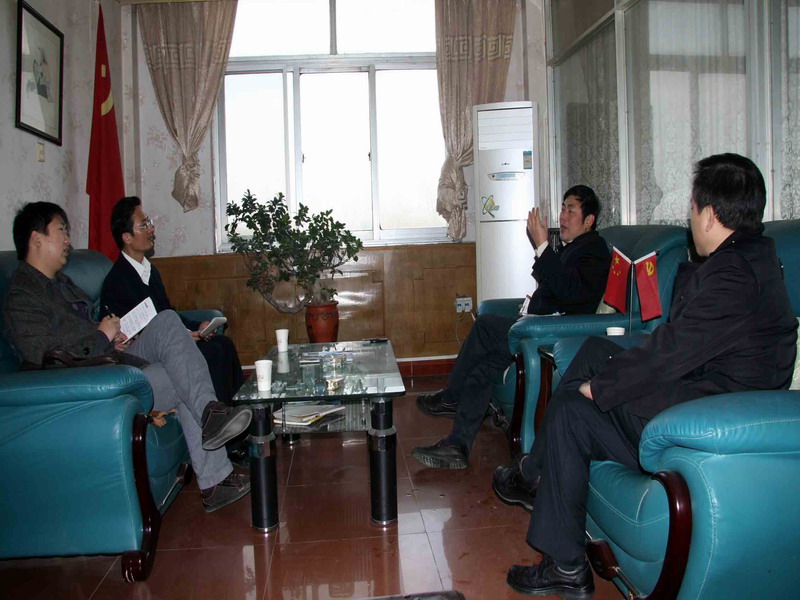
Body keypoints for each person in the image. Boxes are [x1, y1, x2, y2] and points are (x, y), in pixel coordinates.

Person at [493, 153, 797, 597]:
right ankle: (537, 473)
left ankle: (564, 562)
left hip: (702, 413)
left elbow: (674, 348)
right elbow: (685, 341)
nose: (690, 218)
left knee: (574, 411)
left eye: (692, 207)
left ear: (710, 215)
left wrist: (601, 388)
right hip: (702, 387)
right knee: (594, 350)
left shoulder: (733, 274)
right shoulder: (750, 258)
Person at [3, 202, 254, 514]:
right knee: (181, 373)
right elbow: (46, 357)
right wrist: (101, 337)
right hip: (92, 380)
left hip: (110, 357)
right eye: (61, 231)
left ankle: (211, 416)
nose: (68, 239)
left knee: (167, 321)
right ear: (36, 238)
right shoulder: (23, 297)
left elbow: (82, 334)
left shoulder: (62, 284)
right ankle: (214, 473)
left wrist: (114, 336)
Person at [412, 185, 612, 469]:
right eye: (562, 209)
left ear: (589, 220)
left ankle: (452, 397)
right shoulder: (573, 248)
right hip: (536, 326)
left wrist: (542, 245)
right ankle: (457, 445)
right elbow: (555, 285)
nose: (563, 216)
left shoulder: (594, 250)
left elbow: (570, 293)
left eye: (571, 210)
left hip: (552, 333)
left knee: (485, 326)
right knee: (482, 370)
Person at [101, 196, 245, 405]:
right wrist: (183, 337)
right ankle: (217, 414)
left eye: (150, 223)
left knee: (224, 343)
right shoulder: (116, 281)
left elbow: (167, 311)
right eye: (144, 225)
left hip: (170, 338)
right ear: (127, 237)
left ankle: (239, 410)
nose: (152, 229)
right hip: (149, 351)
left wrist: (197, 327)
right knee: (212, 352)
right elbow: (130, 333)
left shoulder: (150, 271)